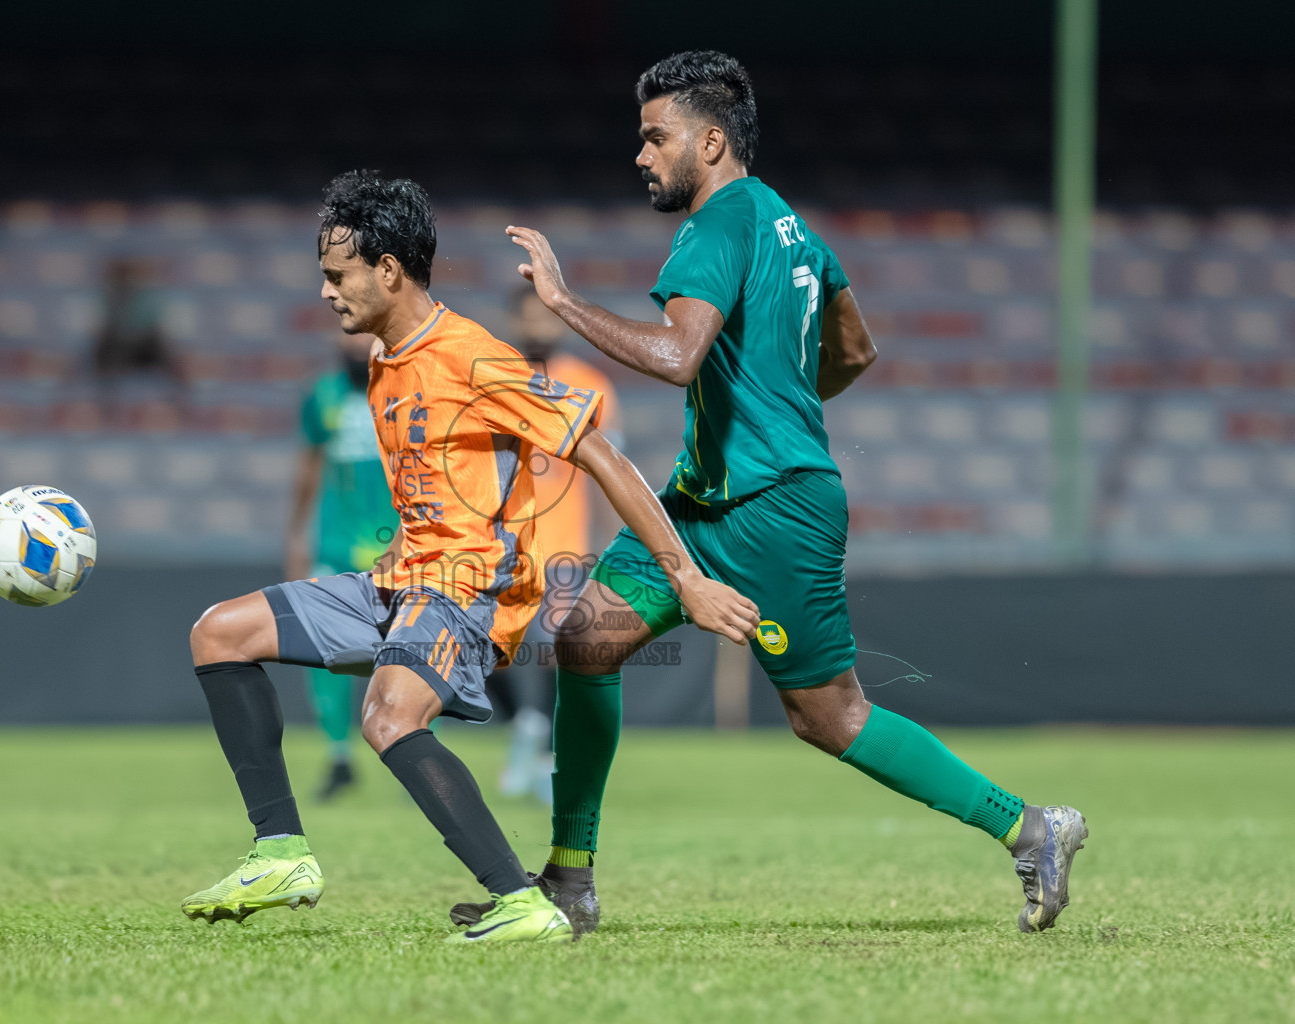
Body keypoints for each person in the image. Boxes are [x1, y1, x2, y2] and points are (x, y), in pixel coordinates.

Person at [454, 51, 1088, 936]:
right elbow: (857, 350)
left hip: (772, 511)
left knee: (829, 718)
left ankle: (1030, 828)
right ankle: (571, 875)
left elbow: (678, 358)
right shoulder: (792, 227)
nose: (640, 155)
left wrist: (562, 302)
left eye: (654, 137)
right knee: (586, 641)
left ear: (710, 142)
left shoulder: (718, 225)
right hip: (704, 501)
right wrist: (777, 406)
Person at [180, 170, 758, 944]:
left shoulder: (474, 357)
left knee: (388, 718)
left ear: (387, 268)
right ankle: (281, 851)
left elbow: (604, 457)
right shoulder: (386, 359)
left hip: (468, 589)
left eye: (335, 274)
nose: (324, 292)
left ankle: (519, 899)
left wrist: (684, 577)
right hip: (401, 581)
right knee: (218, 632)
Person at [488, 285, 622, 802]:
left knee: (553, 655)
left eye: (548, 319)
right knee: (488, 650)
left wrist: (613, 542)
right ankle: (527, 728)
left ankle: (540, 755)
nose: (540, 328)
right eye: (530, 318)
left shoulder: (589, 384)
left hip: (565, 548)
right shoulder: (498, 379)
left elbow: (614, 471)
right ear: (515, 321)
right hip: (502, 545)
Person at [284, 332, 397, 801]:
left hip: (393, 544)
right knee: (324, 651)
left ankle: (408, 746)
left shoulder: (404, 391)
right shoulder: (322, 394)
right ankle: (339, 755)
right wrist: (297, 533)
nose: (357, 345)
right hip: (334, 540)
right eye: (348, 337)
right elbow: (309, 465)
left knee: (408, 651)